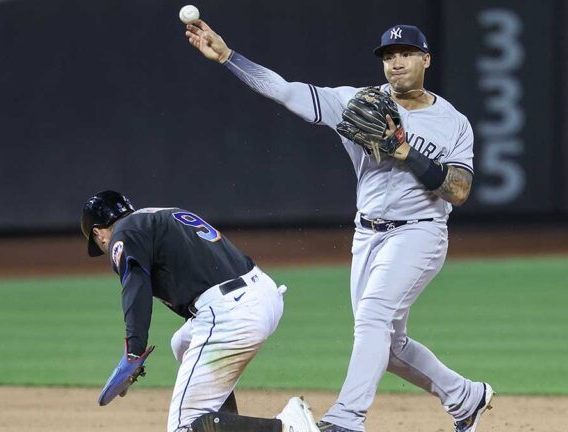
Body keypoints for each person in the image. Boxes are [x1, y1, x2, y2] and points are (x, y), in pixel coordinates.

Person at [184, 22, 494, 432]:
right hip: (366, 234)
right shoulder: (357, 103)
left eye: (404, 54)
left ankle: (346, 420)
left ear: (426, 59)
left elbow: (459, 190)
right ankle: (465, 397)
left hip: (420, 231)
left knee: (372, 316)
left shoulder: (453, 122)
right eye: (388, 56)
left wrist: (406, 152)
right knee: (390, 345)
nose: (396, 62)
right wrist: (228, 57)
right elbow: (284, 89)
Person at [81, 190, 321, 432]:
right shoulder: (162, 215)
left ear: (98, 232)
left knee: (184, 428)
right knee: (182, 344)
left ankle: (289, 427)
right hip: (262, 293)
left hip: (232, 313)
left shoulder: (123, 234)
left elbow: (136, 286)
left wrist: (134, 351)